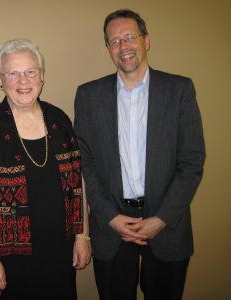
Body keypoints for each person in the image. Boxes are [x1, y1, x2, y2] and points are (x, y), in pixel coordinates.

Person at [74, 9, 205, 300]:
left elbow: (192, 161)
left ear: (146, 41)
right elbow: (85, 162)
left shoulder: (180, 90)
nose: (123, 46)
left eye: (130, 37)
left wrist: (161, 218)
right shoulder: (88, 95)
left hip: (167, 223)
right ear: (108, 48)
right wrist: (110, 216)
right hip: (112, 226)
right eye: (114, 41)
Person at [0, 38, 91, 300]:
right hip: (9, 260)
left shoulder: (60, 120)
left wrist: (83, 237)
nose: (23, 81)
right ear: (0, 79)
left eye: (30, 72)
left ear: (42, 76)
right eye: (13, 73)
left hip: (60, 253)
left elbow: (78, 184)